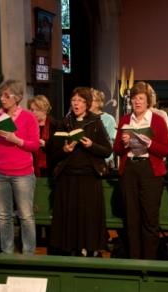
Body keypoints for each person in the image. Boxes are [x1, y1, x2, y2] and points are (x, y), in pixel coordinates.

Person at [49, 87, 112, 256]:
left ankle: (90, 249)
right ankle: (70, 250)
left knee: (88, 217)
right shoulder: (64, 122)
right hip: (68, 178)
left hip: (89, 177)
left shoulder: (95, 122)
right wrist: (65, 150)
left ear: (87, 104)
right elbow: (53, 154)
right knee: (70, 218)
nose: (76, 104)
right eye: (73, 100)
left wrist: (91, 145)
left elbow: (107, 150)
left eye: (80, 101)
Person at [113, 81, 168, 259]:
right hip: (130, 169)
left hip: (150, 171)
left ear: (148, 102)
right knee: (131, 218)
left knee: (149, 218)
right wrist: (123, 144)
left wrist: (150, 143)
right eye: (134, 99)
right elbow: (116, 150)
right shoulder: (124, 120)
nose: (137, 102)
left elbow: (167, 149)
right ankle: (134, 259)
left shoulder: (158, 120)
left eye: (141, 98)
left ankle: (149, 261)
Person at [0, 79, 39, 254]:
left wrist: (16, 140)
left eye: (7, 95)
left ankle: (29, 254)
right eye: (1, 95)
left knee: (26, 216)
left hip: (22, 173)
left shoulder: (28, 117)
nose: (2, 98)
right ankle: (7, 253)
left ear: (17, 97)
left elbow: (35, 145)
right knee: (4, 216)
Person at [28, 95, 59, 177]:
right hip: (30, 166)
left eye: (37, 110)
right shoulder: (27, 125)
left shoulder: (55, 125)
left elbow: (59, 147)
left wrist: (46, 144)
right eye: (31, 109)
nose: (33, 112)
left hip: (50, 166)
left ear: (45, 110)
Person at [90, 88, 117, 171]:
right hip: (88, 162)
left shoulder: (109, 119)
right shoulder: (84, 118)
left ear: (98, 103)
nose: (87, 103)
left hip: (104, 163)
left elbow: (111, 143)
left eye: (91, 100)